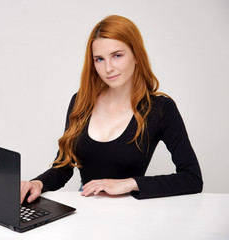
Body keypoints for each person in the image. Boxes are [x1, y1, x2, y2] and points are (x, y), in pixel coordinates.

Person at [21, 15, 203, 203]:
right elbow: (64, 167)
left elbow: (192, 179)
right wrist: (38, 183)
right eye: (99, 59)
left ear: (136, 55)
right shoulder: (81, 102)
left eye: (117, 55)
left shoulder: (160, 109)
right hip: (87, 212)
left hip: (132, 216)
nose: (108, 68)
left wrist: (130, 183)